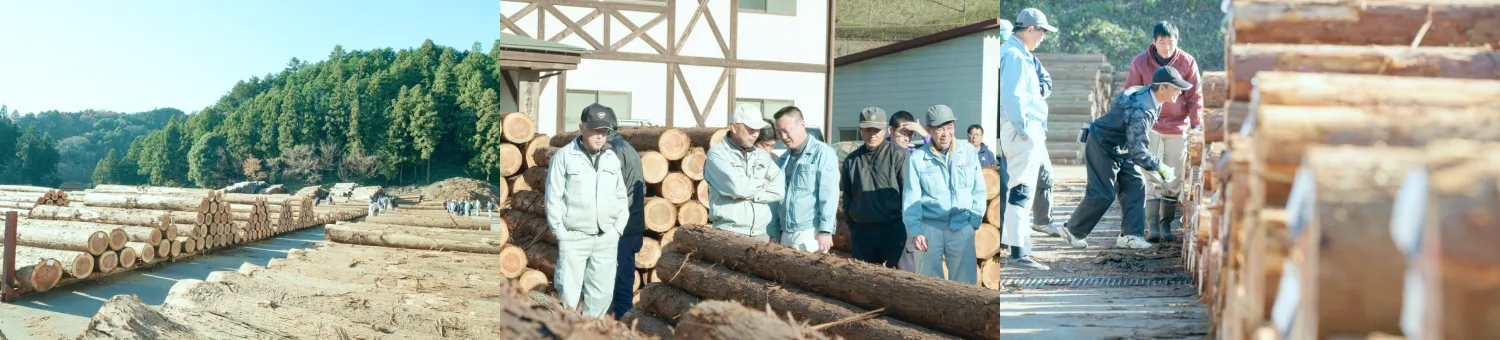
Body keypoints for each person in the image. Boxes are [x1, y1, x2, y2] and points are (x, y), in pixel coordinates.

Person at [1059, 66, 1190, 250]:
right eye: (1176, 87)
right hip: (1102, 145)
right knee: (1103, 193)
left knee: (1135, 183)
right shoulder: (1142, 109)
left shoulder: (1150, 96)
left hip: (1122, 146)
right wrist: (1160, 166)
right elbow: (1139, 153)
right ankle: (1072, 230)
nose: (1179, 91)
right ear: (1162, 88)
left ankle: (1130, 236)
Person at [544, 105, 630, 317]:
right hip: (574, 237)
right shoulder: (564, 157)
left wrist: (617, 229)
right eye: (594, 130)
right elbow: (552, 197)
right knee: (568, 299)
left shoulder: (612, 158)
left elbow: (621, 197)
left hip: (606, 239)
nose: (599, 136)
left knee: (602, 295)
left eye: (604, 132)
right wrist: (561, 233)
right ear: (581, 127)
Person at [1125, 21, 1202, 243]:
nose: (1167, 47)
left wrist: (1196, 125)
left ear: (1176, 42)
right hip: (1150, 125)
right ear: (1154, 42)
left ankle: (1165, 223)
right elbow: (1132, 92)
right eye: (1162, 42)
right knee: (1151, 176)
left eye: (1171, 42)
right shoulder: (1140, 62)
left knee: (1173, 176)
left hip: (1178, 126)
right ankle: (1152, 226)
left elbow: (1195, 96)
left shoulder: (1187, 62)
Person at [997, 7, 1057, 270]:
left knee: (1020, 192)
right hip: (1021, 132)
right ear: (1030, 29)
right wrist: (1023, 130)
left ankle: (1019, 249)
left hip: (1022, 131)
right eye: (1042, 31)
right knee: (1021, 193)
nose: (1043, 36)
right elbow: (1013, 98)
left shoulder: (1019, 53)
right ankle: (1020, 253)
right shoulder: (1015, 56)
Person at [901, 105, 986, 283]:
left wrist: (973, 223)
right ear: (929, 130)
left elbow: (978, 189)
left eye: (949, 127)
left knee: (965, 285)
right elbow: (911, 198)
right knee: (929, 285)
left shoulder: (968, 151)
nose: (945, 133)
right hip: (929, 228)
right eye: (940, 128)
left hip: (962, 225)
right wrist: (916, 231)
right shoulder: (918, 158)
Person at [588, 104, 647, 321]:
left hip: (618, 229)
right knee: (623, 284)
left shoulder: (610, 150)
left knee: (606, 285)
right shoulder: (628, 148)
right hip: (633, 227)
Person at [840, 107, 910, 268]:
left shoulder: (899, 155)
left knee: (901, 284)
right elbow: (848, 197)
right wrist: (853, 225)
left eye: (877, 130)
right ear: (860, 130)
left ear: (885, 130)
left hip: (894, 230)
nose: (872, 134)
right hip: (863, 233)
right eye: (867, 130)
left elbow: (908, 194)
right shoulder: (851, 160)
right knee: (863, 285)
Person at [703, 104, 785, 241]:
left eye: (758, 130)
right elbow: (738, 188)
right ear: (734, 127)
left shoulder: (762, 155)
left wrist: (753, 195)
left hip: (761, 233)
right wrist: (763, 183)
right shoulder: (717, 155)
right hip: (729, 234)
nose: (756, 134)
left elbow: (779, 190)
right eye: (751, 129)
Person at [770, 107, 839, 253]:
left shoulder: (823, 153)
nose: (783, 136)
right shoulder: (783, 159)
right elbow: (774, 198)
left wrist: (826, 231)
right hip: (785, 233)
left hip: (809, 232)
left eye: (786, 130)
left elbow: (829, 194)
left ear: (801, 125)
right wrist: (774, 232)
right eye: (779, 132)